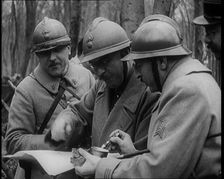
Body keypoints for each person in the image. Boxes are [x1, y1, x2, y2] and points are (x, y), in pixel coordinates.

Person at [73, 15, 221, 179]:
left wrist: (101, 166)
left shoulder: (186, 90)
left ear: (162, 62)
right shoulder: (188, 81)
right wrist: (133, 153)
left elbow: (161, 170)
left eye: (139, 65)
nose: (137, 73)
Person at [49, 17, 160, 156]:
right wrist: (66, 121)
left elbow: (140, 162)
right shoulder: (102, 85)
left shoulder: (149, 93)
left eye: (104, 62)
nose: (99, 72)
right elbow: (79, 112)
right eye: (94, 64)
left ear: (125, 54)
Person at [5, 17, 95, 179]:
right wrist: (50, 142)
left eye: (57, 49)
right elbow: (13, 141)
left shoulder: (86, 76)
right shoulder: (26, 89)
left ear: (69, 48)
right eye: (45, 53)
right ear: (37, 56)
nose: (52, 57)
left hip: (84, 170)